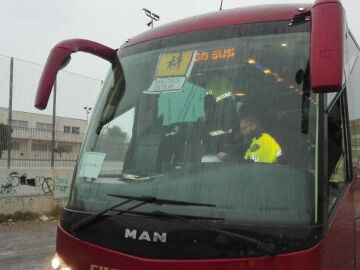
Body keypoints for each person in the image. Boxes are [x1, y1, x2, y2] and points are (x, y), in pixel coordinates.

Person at [217, 112, 282, 164]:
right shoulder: (255, 141)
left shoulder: (264, 141)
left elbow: (251, 165)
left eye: (243, 129)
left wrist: (226, 157)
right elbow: (238, 148)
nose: (241, 132)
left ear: (253, 126)